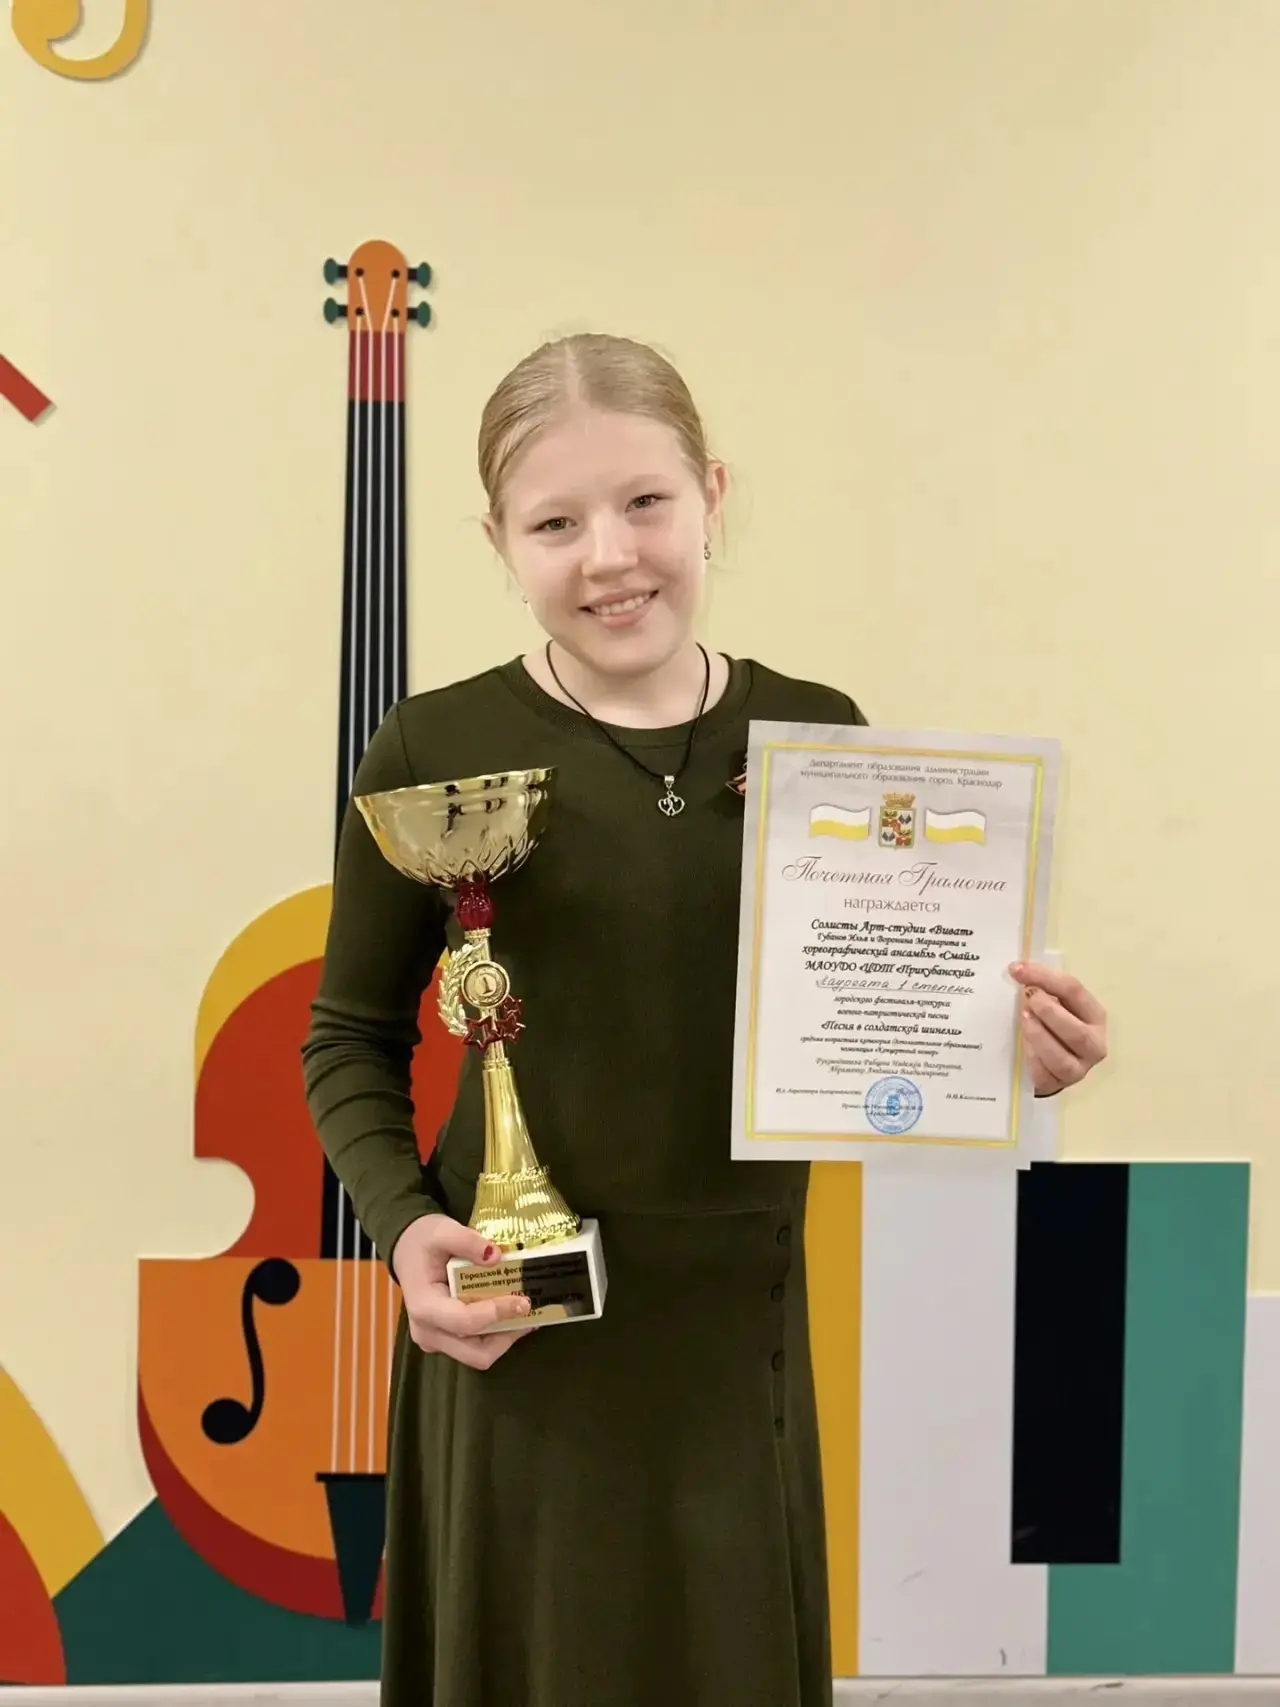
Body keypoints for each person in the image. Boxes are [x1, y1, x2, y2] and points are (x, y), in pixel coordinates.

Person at [301, 332, 1109, 1707]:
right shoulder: (432, 750)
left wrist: (1007, 1049)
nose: (610, 556)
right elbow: (349, 1036)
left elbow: (877, 1003)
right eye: (555, 523)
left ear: (712, 495)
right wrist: (407, 1223)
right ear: (497, 542)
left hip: (736, 1337)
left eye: (645, 502)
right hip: (520, 1322)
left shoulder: (819, 733)